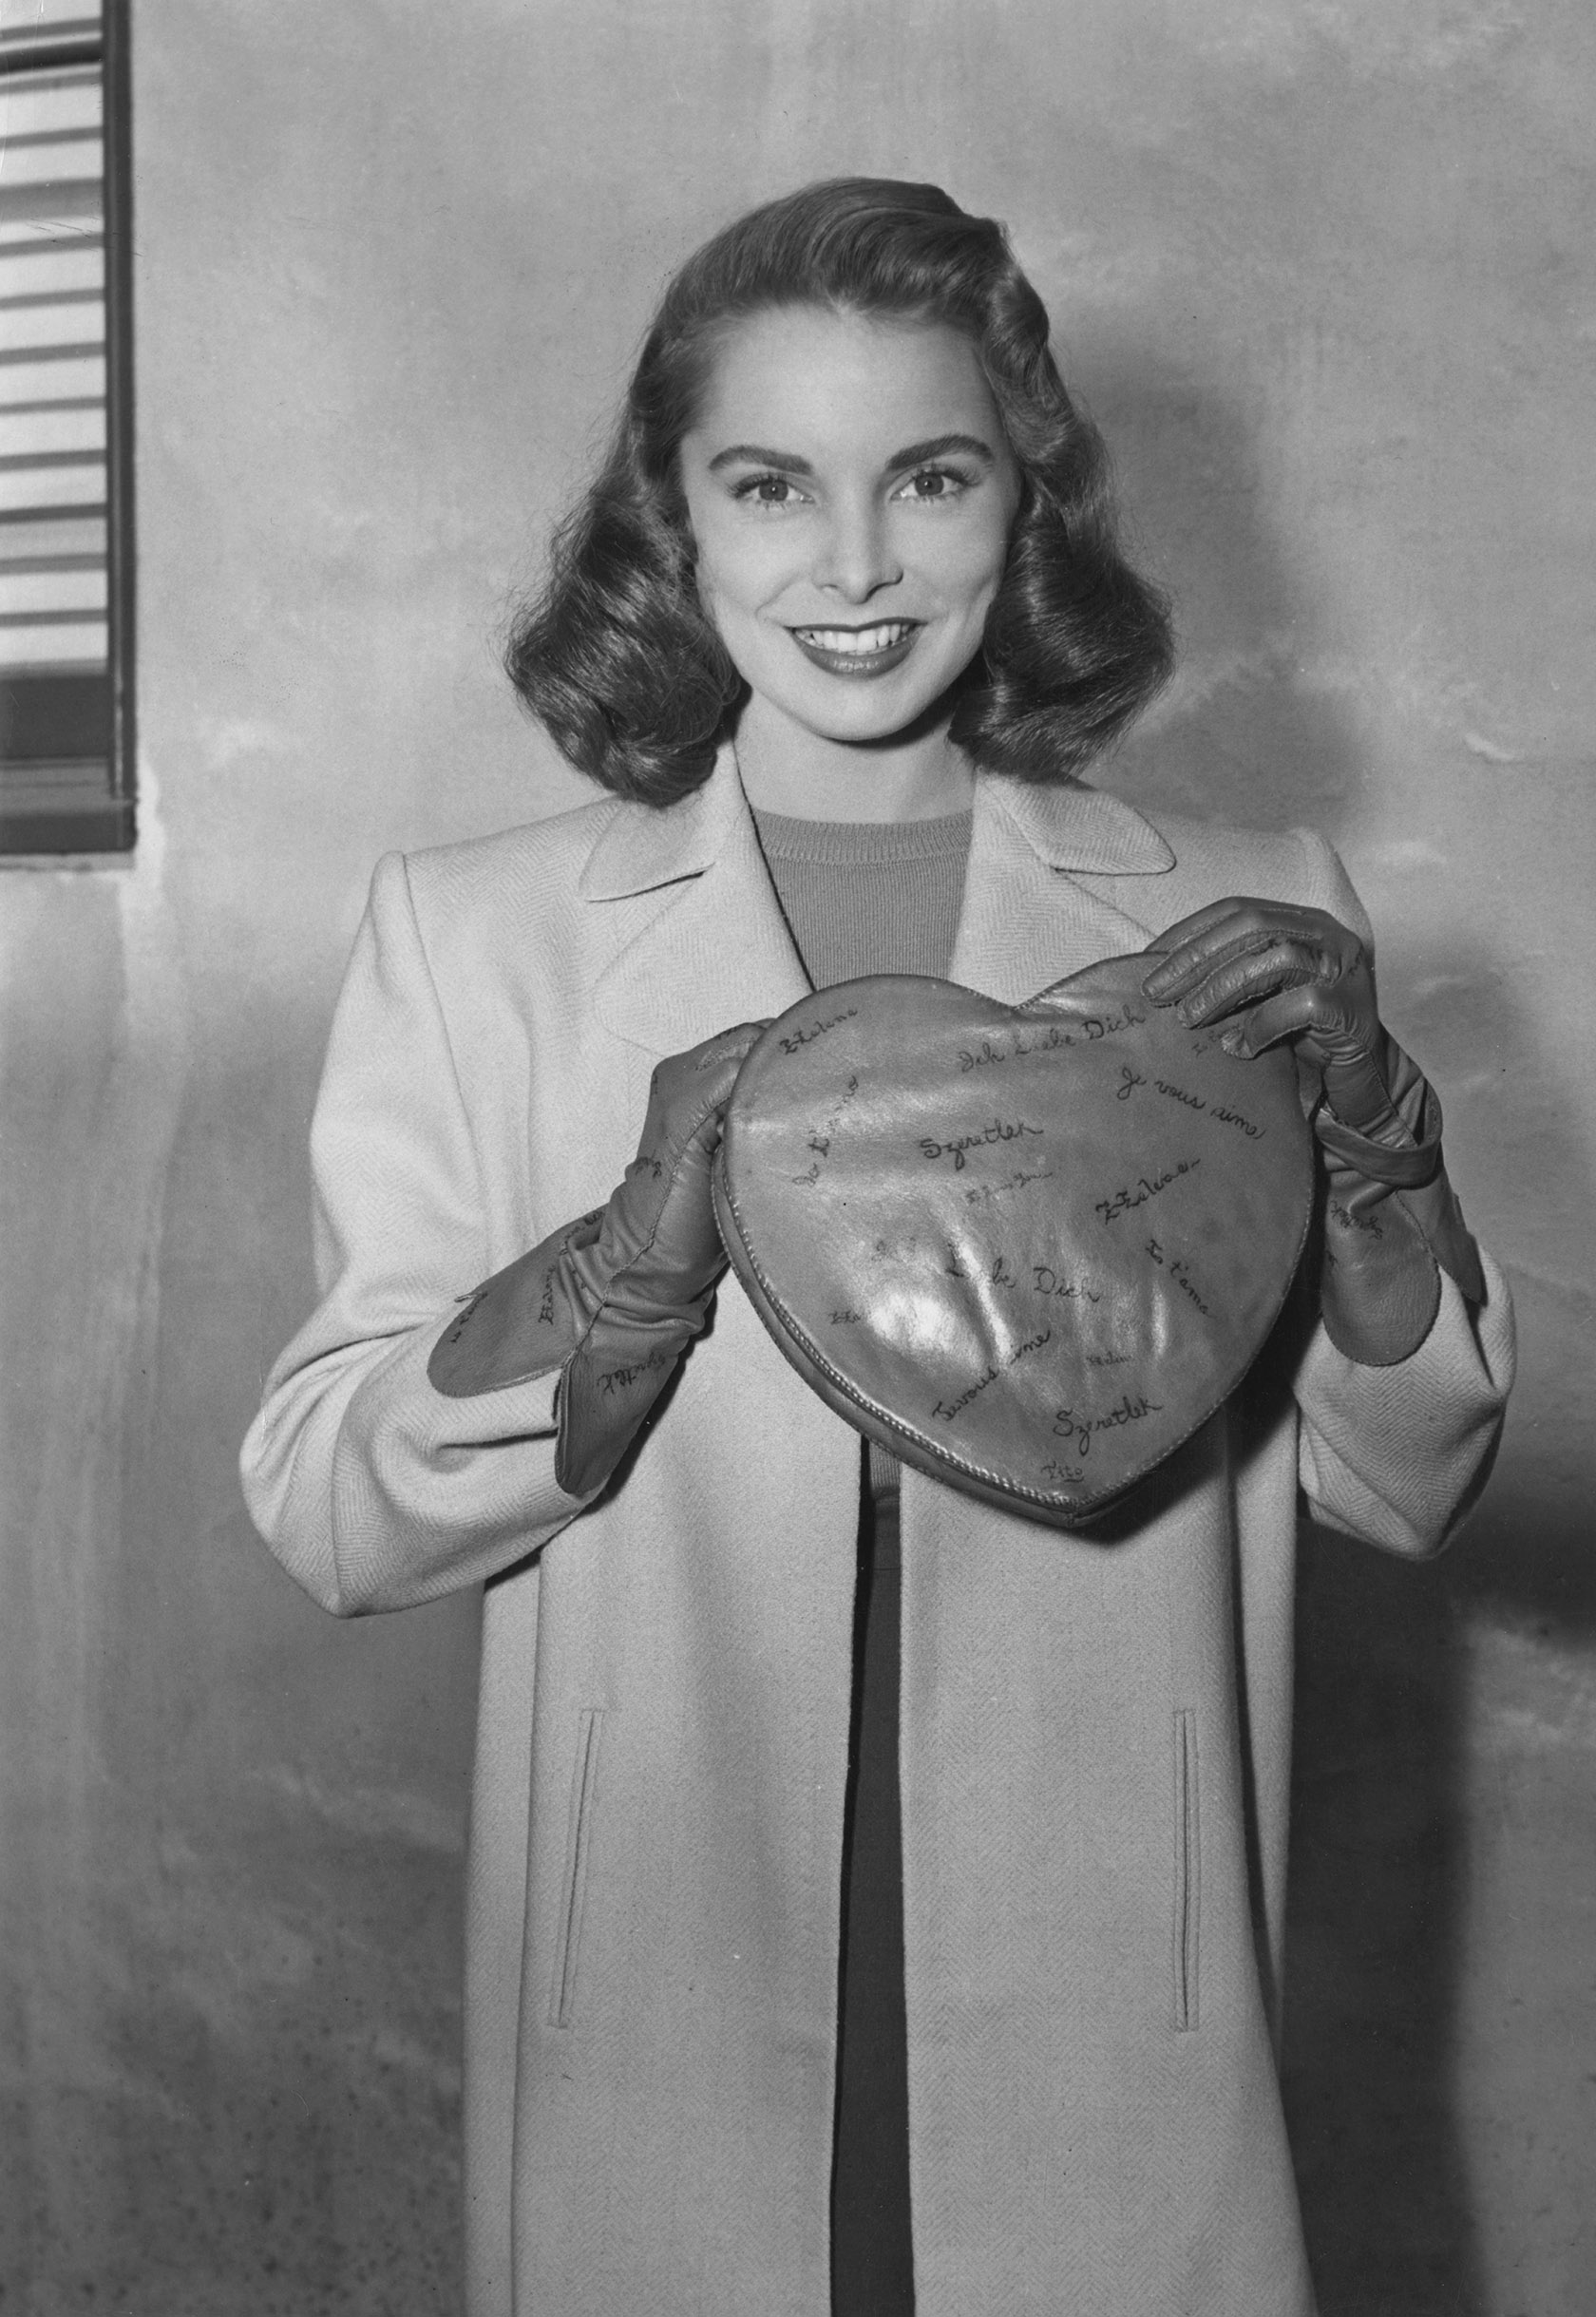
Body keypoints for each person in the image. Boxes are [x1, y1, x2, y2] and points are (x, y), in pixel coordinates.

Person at [241, 178, 1514, 2317]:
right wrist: (618, 1274)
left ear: (1026, 504)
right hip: (656, 1955)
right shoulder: (472, 941)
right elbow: (330, 1507)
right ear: (675, 517)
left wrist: (1381, 1173)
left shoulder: (1244, 906)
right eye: (769, 484)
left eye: (928, 477)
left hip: (1117, 1971)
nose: (850, 567)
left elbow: (1402, 1472)